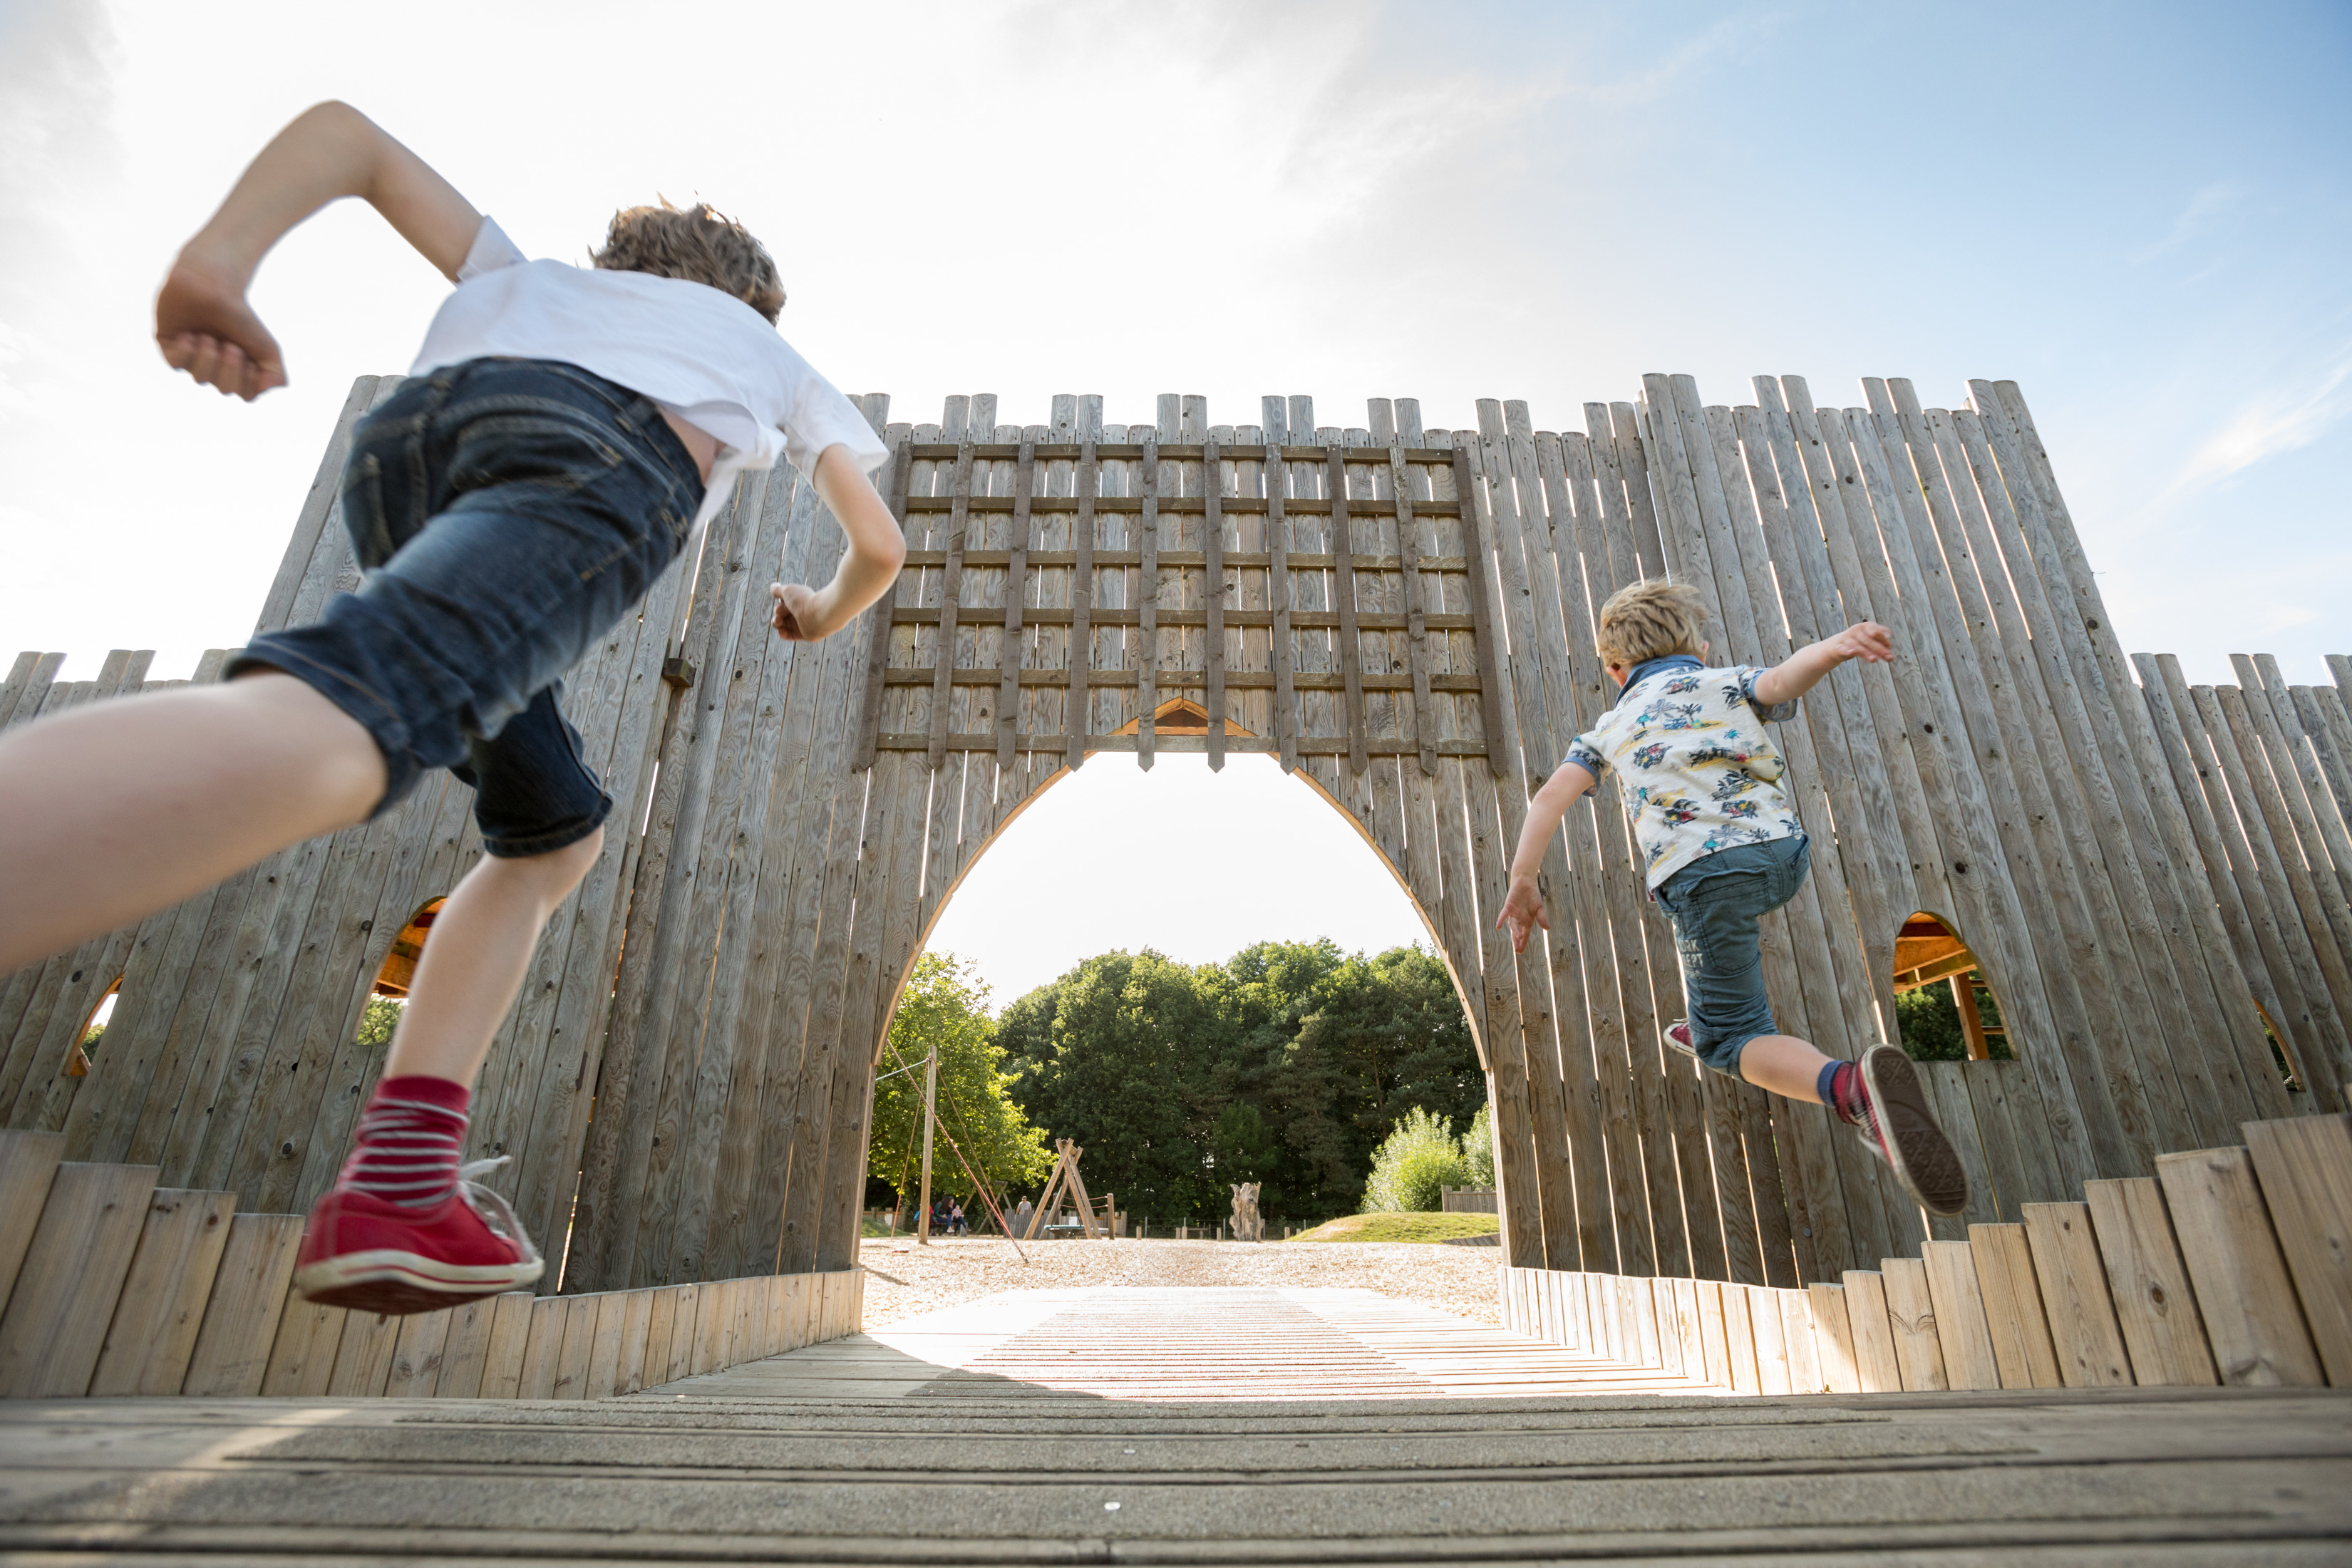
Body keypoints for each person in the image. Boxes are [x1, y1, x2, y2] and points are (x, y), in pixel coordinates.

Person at [0, 103, 906, 1315]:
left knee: (555, 832)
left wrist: (220, 261)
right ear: (752, 304)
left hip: (414, 458)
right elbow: (880, 545)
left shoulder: (530, 282)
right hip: (593, 467)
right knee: (343, 726)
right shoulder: (770, 356)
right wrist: (824, 611)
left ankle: (408, 1173)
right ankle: (394, 1187)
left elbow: (349, 140)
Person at [1495, 579, 1968, 1217]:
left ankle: (1850, 1088)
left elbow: (1549, 799)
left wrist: (1524, 878)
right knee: (1721, 966)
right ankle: (1712, 1011)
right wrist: (1833, 647)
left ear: (1614, 668)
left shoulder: (1610, 725)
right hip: (1780, 855)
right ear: (1699, 645)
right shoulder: (1722, 681)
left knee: (1730, 1044)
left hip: (1705, 876)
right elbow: (1781, 682)